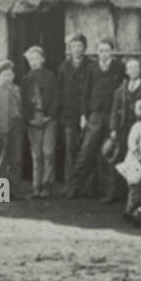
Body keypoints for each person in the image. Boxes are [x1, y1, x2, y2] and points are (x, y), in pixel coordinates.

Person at [76, 38, 124, 200]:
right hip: (95, 114)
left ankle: (109, 191)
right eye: (101, 51)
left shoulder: (119, 67)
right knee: (87, 150)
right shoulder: (92, 68)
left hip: (111, 114)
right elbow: (85, 94)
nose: (104, 54)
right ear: (97, 52)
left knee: (109, 152)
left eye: (107, 50)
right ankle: (76, 188)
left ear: (112, 52)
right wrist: (83, 115)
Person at [105, 58, 141, 203]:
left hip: (140, 128)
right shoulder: (121, 89)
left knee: (139, 160)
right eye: (130, 68)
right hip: (124, 127)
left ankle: (137, 194)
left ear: (140, 70)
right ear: (126, 71)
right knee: (119, 159)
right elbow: (114, 110)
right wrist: (113, 128)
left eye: (136, 68)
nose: (133, 71)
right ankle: (115, 192)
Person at [20, 45, 59, 199]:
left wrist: (50, 116)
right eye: (31, 60)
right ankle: (37, 186)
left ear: (42, 59)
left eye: (36, 58)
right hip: (33, 119)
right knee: (36, 154)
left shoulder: (50, 76)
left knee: (48, 152)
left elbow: (57, 97)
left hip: (49, 117)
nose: (34, 62)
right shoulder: (26, 79)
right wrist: (29, 119)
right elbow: (23, 101)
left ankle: (47, 185)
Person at [57, 34, 90, 195]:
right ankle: (69, 184)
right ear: (70, 49)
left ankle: (84, 186)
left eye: (79, 45)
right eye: (73, 46)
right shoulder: (64, 67)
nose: (77, 49)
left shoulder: (91, 66)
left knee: (86, 150)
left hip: (86, 114)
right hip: (69, 115)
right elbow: (60, 91)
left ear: (84, 47)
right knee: (70, 149)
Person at [0, 60, 22, 193]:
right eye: (5, 75)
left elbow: (20, 108)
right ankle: (2, 193)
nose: (8, 78)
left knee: (16, 160)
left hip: (16, 129)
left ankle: (14, 191)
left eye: (10, 75)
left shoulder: (17, 90)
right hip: (2, 130)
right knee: (2, 161)